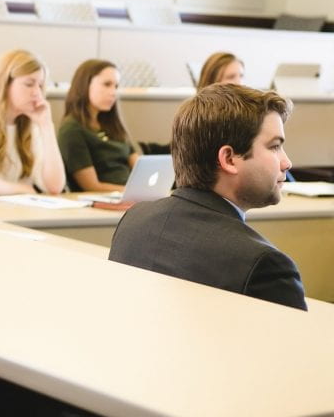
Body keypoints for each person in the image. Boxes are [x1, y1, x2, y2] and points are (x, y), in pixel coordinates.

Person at [109, 84, 306, 310]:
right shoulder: (265, 266)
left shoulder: (134, 220)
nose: (286, 162)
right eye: (274, 147)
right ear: (229, 159)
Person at [0, 50, 65, 196]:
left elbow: (54, 186)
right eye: (29, 84)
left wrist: (46, 126)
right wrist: (26, 189)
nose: (37, 93)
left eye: (40, 85)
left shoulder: (30, 124)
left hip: (17, 212)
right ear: (5, 84)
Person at [57, 59, 138, 191]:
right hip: (104, 200)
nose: (113, 92)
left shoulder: (113, 124)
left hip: (130, 197)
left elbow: (140, 167)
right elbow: (91, 186)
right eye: (107, 84)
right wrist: (131, 192)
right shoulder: (71, 129)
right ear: (85, 85)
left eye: (116, 86)